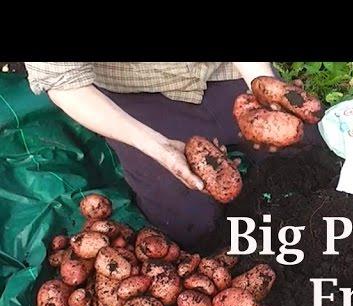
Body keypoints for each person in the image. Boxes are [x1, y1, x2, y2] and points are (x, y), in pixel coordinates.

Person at [23, 62, 322, 250]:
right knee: (193, 226)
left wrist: (261, 84)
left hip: (223, 72)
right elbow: (63, 83)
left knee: (311, 158)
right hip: (136, 91)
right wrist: (157, 147)